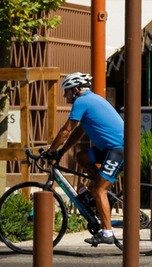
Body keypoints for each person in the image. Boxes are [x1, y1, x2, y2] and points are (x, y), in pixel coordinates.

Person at [48, 71, 124, 247]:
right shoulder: (91, 99)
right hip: (110, 149)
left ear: (75, 90)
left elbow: (66, 130)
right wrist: (61, 152)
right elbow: (78, 131)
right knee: (81, 157)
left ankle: (107, 233)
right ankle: (101, 186)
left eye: (66, 91)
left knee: (99, 190)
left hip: (118, 150)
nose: (65, 96)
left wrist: (51, 150)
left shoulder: (82, 102)